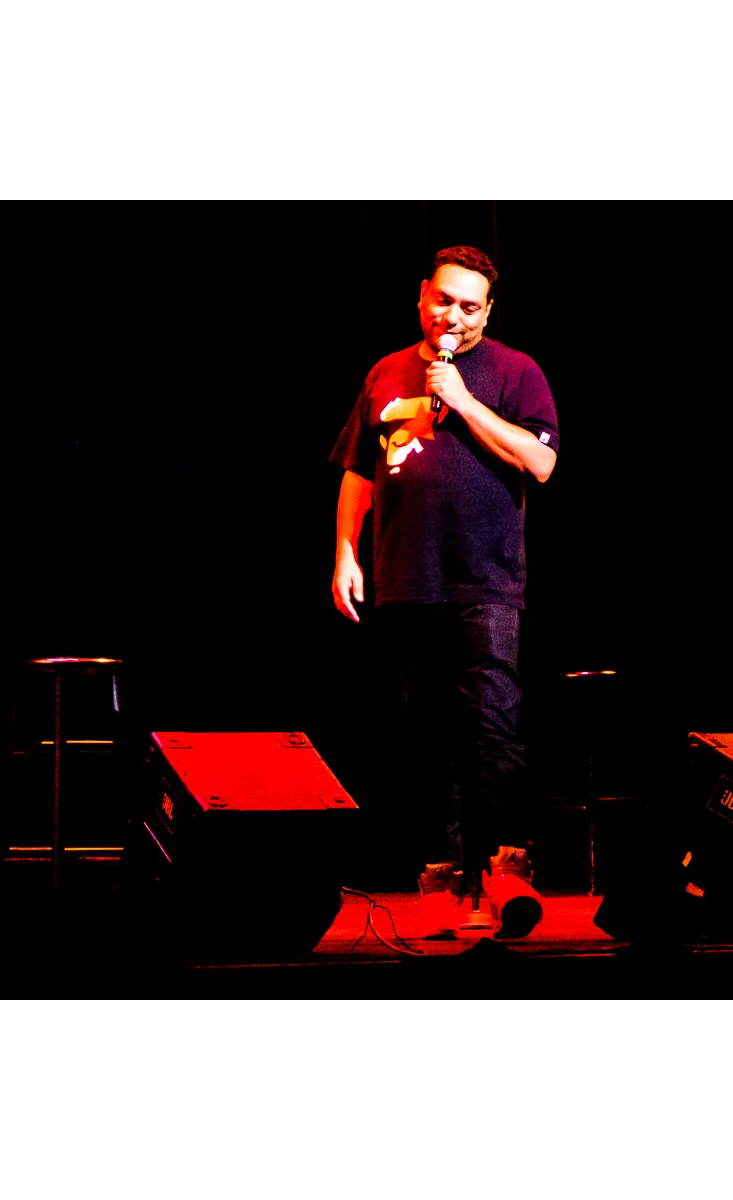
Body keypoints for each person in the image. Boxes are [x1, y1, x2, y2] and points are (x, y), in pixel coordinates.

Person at [329, 245, 559, 938]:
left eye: (468, 306)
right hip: (406, 579)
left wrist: (462, 401)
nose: (452, 315)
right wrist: (345, 553)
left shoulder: (515, 372)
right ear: (422, 295)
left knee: (493, 729)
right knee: (425, 741)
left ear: (487, 313)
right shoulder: (386, 372)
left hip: (486, 580)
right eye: (443, 300)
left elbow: (541, 462)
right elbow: (359, 470)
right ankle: (440, 880)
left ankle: (507, 871)